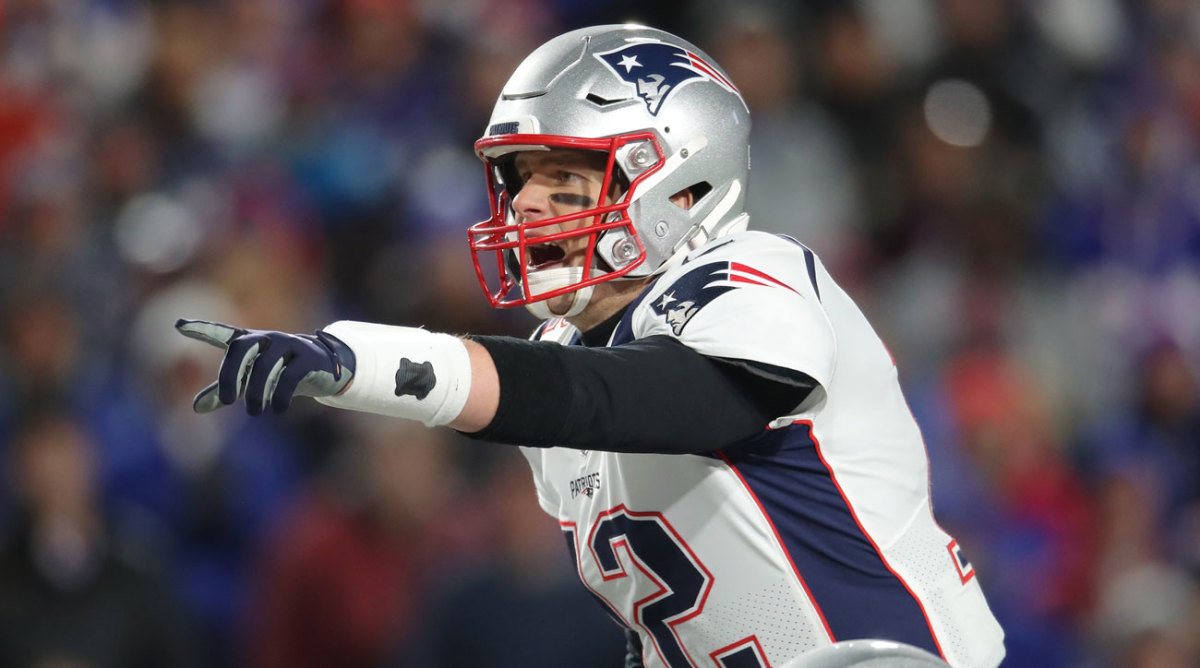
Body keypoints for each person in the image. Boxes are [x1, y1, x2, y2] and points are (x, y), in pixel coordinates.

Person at [176, 24, 1006, 668]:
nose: (528, 208)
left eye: (567, 181)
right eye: (520, 179)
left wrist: (370, 363)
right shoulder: (563, 357)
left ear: (681, 185)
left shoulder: (757, 274)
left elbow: (648, 398)